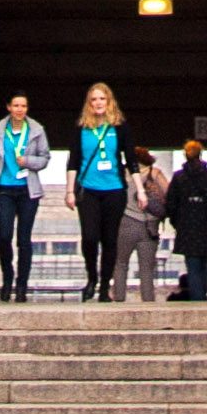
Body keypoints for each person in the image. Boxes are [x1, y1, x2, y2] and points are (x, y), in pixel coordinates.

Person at [0, 93, 51, 301]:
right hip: (4, 189)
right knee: (5, 236)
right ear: (8, 107)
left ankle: (22, 285)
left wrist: (27, 161)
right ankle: (8, 277)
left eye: (23, 106)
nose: (19, 109)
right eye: (16, 105)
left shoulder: (36, 130)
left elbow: (45, 158)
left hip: (28, 190)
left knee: (24, 240)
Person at [72, 82, 133, 301]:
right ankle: (92, 277)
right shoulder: (82, 128)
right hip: (88, 189)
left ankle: (105, 285)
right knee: (89, 237)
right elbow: (73, 161)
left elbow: (131, 159)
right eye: (94, 99)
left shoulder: (120, 126)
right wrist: (70, 191)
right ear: (89, 104)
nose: (98, 103)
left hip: (114, 190)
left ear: (109, 102)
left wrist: (141, 191)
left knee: (109, 239)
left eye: (102, 99)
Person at [161, 135, 207, 300]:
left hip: (186, 226)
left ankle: (197, 297)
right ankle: (202, 295)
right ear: (200, 154)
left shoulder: (179, 177)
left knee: (192, 263)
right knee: (204, 263)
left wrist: (177, 220)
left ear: (185, 154)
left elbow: (170, 203)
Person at [112, 143, 167, 304]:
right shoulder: (155, 173)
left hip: (125, 223)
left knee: (121, 264)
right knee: (147, 268)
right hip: (150, 226)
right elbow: (169, 194)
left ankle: (119, 299)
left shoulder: (121, 174)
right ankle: (148, 301)